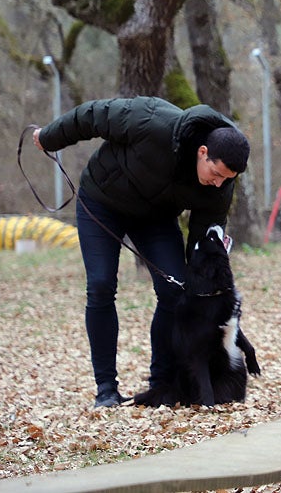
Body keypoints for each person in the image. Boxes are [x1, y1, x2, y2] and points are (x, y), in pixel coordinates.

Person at [33, 96, 250, 408]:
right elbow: (93, 115)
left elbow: (204, 248)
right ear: (203, 153)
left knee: (176, 290)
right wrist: (49, 137)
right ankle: (106, 389)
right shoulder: (152, 121)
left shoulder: (220, 186)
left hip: (155, 218)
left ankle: (162, 384)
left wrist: (207, 297)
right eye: (216, 174)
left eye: (226, 180)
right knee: (101, 285)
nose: (218, 184)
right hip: (102, 200)